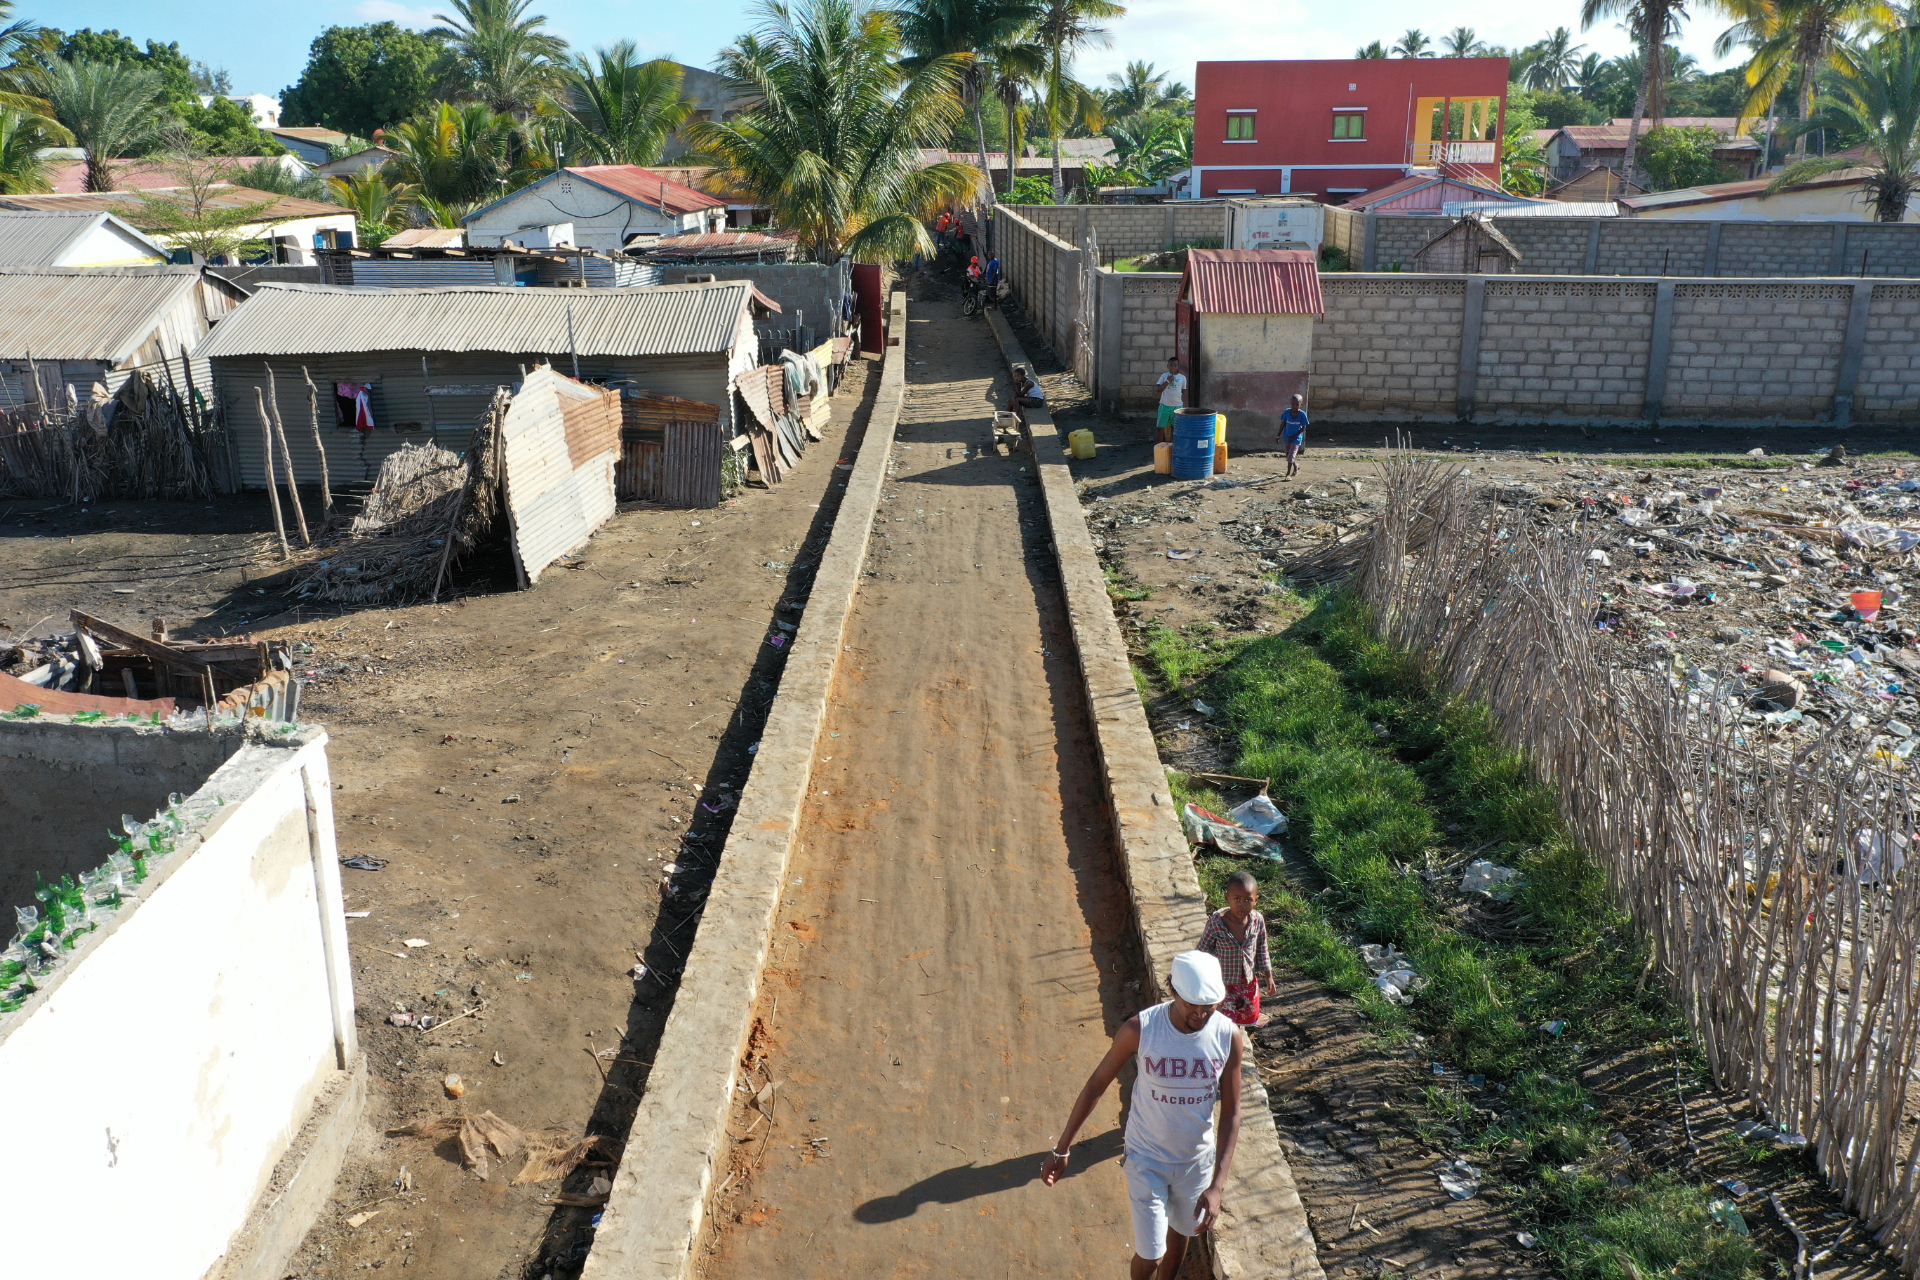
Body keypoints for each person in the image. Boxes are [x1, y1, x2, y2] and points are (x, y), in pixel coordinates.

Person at [1042, 951, 1244, 1280]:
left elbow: (1232, 1112)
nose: (1201, 1012)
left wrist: (1218, 1185)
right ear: (1173, 990)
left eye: (1209, 1004)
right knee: (1150, 1256)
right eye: (1192, 1002)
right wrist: (1062, 1149)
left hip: (1196, 1163)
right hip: (1146, 1158)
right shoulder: (1142, 1029)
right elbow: (1096, 1085)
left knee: (1180, 1237)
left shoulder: (1227, 1037)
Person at [1200, 871, 1276, 1027]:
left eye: (1248, 900)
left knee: (1246, 1015)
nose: (1242, 904)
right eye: (1237, 899)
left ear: (1256, 900)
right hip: (1223, 982)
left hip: (1247, 981)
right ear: (1227, 897)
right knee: (1224, 1020)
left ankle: (1239, 1031)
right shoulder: (1216, 923)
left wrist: (1269, 977)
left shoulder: (1257, 920)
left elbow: (1262, 948)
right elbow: (1203, 950)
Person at [1154, 357, 1187, 442]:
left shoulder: (1182, 378)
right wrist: (1168, 381)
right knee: (1160, 428)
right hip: (1164, 406)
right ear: (1167, 366)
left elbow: (1183, 391)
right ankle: (1159, 448)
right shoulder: (1164, 376)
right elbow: (1158, 389)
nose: (1173, 367)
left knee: (1175, 428)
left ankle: (1172, 448)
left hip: (1177, 407)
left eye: (1175, 365)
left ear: (1178, 367)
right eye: (1171, 365)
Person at [1279, 394, 1309, 478]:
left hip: (1296, 439)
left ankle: (1288, 474)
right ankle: (1296, 466)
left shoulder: (1302, 414)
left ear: (1301, 405)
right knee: (1288, 455)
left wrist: (1295, 436)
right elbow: (1283, 424)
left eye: (1297, 405)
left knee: (1291, 456)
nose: (1294, 406)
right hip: (1287, 437)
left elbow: (1303, 428)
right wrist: (1278, 435)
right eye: (1293, 404)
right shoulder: (1287, 412)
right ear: (1290, 404)